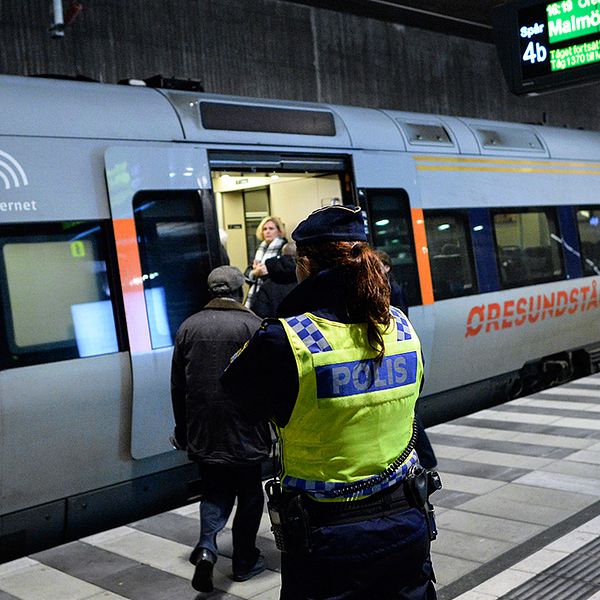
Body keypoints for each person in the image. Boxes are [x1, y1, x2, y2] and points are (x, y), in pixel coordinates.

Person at [222, 205, 437, 599]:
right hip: (408, 521)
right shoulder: (402, 326)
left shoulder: (285, 339)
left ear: (304, 263)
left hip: (327, 537)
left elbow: (237, 400)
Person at [170, 266, 270, 593]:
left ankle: (206, 547)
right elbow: (265, 382)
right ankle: (244, 560)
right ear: (240, 290)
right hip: (244, 426)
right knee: (250, 494)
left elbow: (178, 386)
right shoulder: (253, 325)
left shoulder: (188, 327)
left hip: (204, 427)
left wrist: (183, 429)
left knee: (214, 491)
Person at [376, 250, 437, 470]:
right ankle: (425, 459)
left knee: (410, 414)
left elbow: (401, 320)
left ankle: (427, 459)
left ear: (387, 267)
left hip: (395, 350)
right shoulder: (384, 288)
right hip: (395, 350)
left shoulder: (393, 290)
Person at [245, 215, 287, 310]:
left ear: (279, 231)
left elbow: (285, 273)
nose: (267, 231)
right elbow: (247, 272)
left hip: (274, 295)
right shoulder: (260, 249)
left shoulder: (284, 248)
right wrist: (255, 273)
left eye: (271, 228)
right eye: (265, 229)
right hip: (257, 293)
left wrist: (264, 272)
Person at [252, 241, 298, 318]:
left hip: (275, 327)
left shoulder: (267, 285)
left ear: (282, 255)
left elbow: (260, 314)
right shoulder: (308, 281)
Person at [376, 250, 408, 314]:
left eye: (377, 267)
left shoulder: (395, 289)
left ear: (387, 268)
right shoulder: (373, 286)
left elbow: (401, 313)